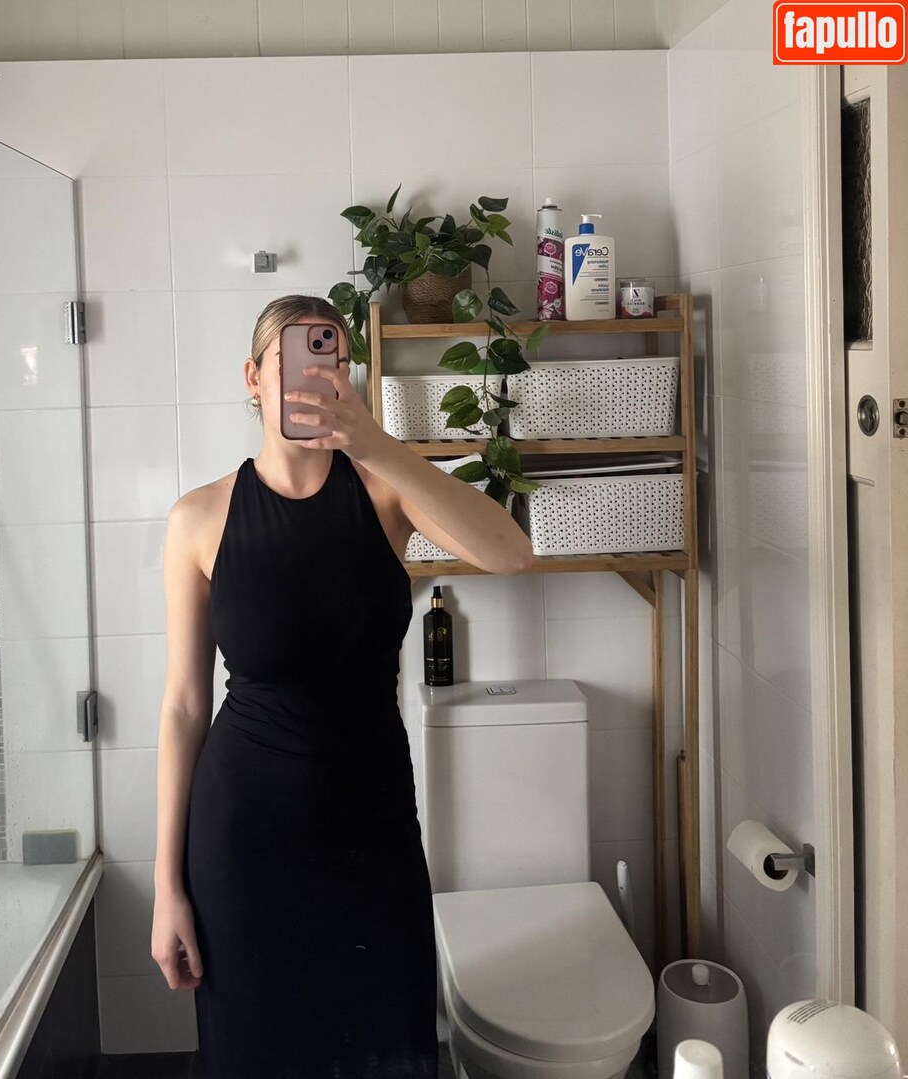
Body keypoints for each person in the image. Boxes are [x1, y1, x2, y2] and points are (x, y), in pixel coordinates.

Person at [150, 293, 534, 1077]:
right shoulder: (199, 519)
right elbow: (185, 704)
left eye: (330, 359)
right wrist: (166, 884)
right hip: (242, 845)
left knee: (387, 1048)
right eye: (289, 360)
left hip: (373, 832)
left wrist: (376, 444)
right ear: (253, 378)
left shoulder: (386, 495)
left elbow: (511, 552)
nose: (310, 376)